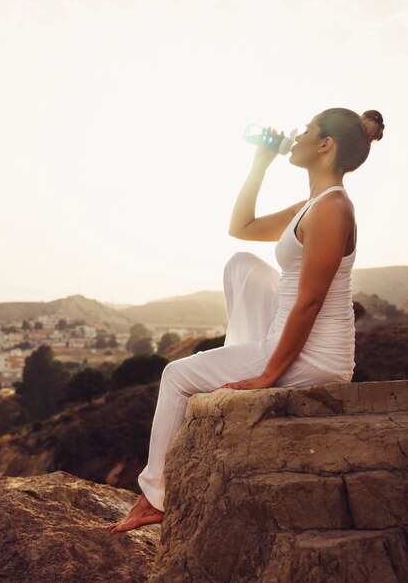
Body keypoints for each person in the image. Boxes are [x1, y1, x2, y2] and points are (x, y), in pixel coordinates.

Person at [107, 107, 385, 534]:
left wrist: (269, 374)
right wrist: (260, 161)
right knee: (242, 262)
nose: (297, 136)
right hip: (288, 339)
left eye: (307, 131)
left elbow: (310, 302)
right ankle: (247, 354)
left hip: (316, 357)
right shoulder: (315, 203)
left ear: (325, 145)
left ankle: (154, 497)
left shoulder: (332, 209)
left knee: (176, 375)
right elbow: (242, 226)